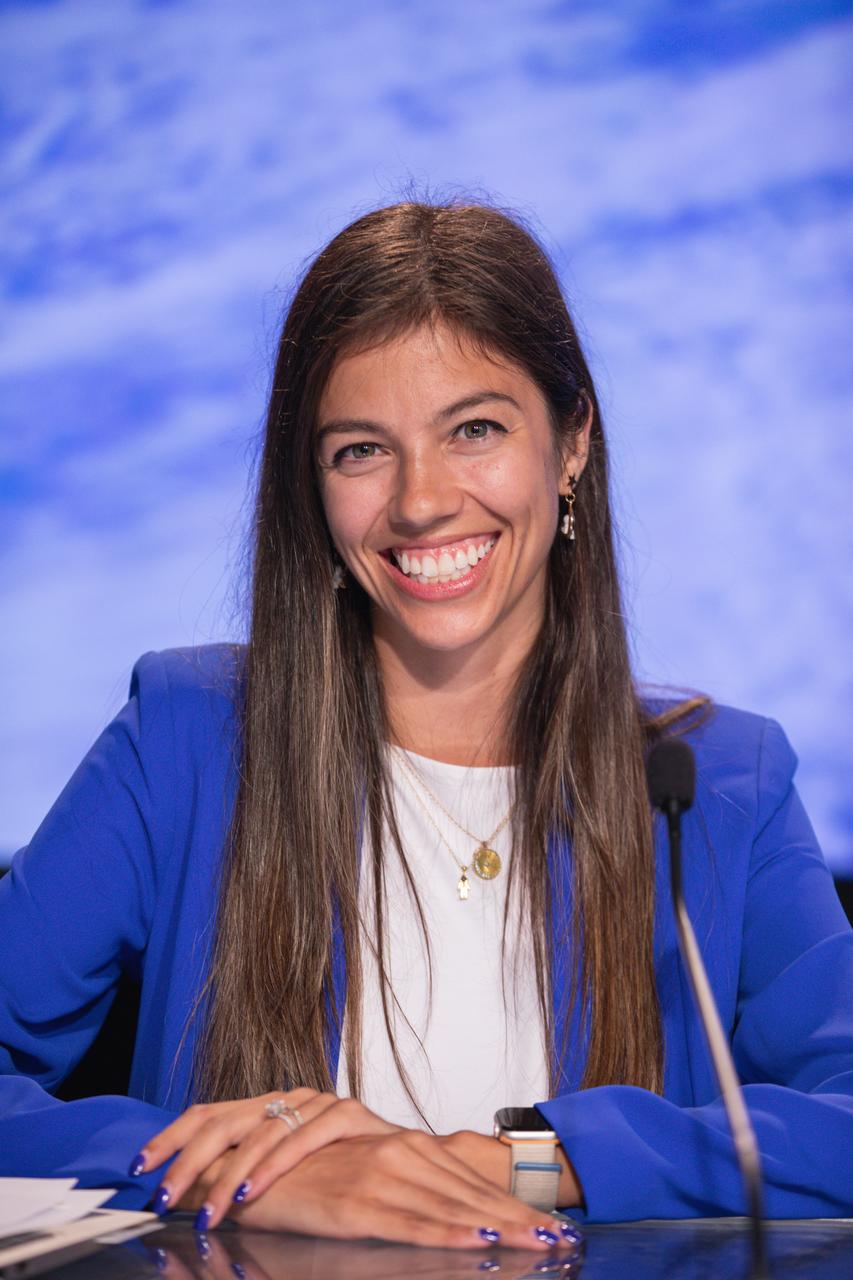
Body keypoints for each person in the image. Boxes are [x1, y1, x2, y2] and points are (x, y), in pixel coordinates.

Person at [1, 201, 851, 1251]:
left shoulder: (719, 780)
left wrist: (532, 1158)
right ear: (310, 487)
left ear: (571, 441)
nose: (420, 501)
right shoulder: (182, 737)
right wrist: (242, 1174)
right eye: (361, 450)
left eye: (475, 429)